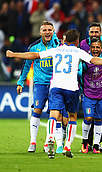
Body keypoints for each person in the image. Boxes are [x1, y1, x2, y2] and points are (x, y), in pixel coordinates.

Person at [6, 29, 102, 159]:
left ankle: (50, 137)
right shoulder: (78, 51)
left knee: (54, 115)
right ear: (77, 41)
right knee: (72, 117)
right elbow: (94, 60)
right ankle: (67, 146)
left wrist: (14, 54)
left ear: (65, 40)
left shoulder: (56, 50)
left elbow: (34, 55)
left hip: (56, 87)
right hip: (71, 88)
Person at [16, 21, 59, 153]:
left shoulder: (58, 46)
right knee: (37, 110)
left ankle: (47, 143)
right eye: (44, 30)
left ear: (53, 32)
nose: (47, 32)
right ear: (40, 32)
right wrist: (20, 82)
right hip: (40, 84)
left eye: (49, 30)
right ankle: (33, 142)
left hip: (55, 84)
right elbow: (26, 65)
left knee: (54, 114)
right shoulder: (34, 47)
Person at [80, 22, 102, 152]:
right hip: (89, 92)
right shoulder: (84, 52)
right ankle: (85, 142)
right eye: (92, 32)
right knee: (88, 118)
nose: (95, 49)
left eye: (96, 32)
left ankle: (97, 144)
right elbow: (80, 73)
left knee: (100, 118)